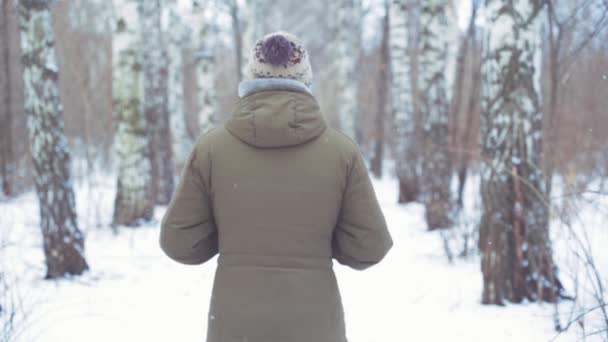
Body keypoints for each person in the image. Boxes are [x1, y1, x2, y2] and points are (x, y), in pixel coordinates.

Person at [159, 30, 393, 342]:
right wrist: (321, 242)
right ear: (306, 80)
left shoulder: (212, 150)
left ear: (250, 80)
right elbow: (370, 247)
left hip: (235, 326)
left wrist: (232, 237)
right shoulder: (341, 152)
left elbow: (178, 242)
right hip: (315, 326)